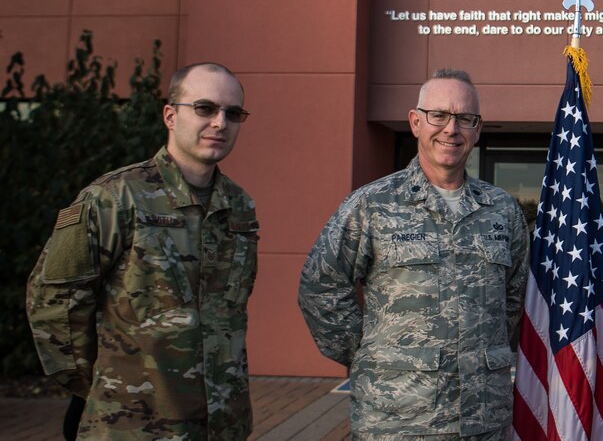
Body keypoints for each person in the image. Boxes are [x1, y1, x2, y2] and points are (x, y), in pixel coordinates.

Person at [26, 62, 259, 439]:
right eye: (205, 108)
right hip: (133, 423)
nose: (220, 123)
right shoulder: (113, 197)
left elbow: (230, 310)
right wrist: (101, 387)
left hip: (221, 421)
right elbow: (55, 303)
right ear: (170, 115)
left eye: (233, 113)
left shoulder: (238, 206)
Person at [299, 68, 529, 439]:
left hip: (484, 418)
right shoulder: (372, 204)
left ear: (477, 128)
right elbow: (320, 284)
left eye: (464, 118)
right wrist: (366, 354)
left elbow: (514, 297)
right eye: (438, 115)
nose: (451, 129)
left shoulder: (502, 209)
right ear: (416, 122)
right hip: (398, 418)